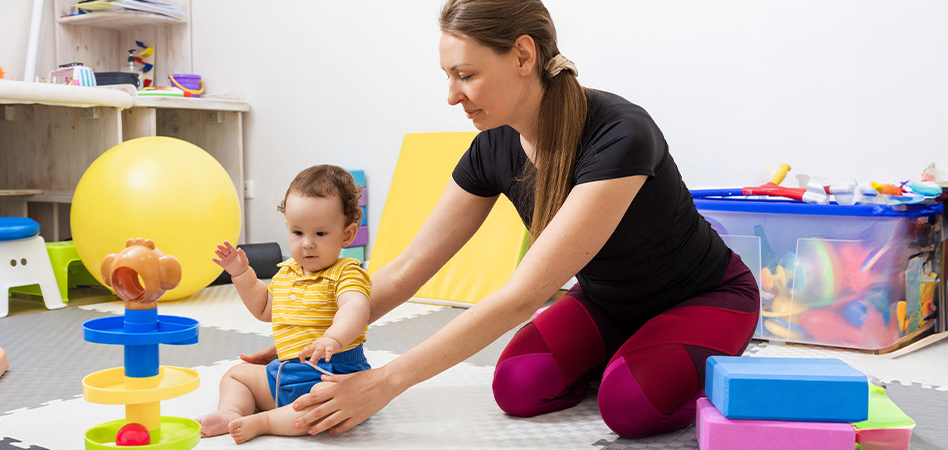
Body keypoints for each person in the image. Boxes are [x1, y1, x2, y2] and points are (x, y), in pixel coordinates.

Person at [250, 0, 760, 439]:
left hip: (706, 297)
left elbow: (521, 296)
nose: (452, 95)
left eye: (466, 75)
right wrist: (315, 333)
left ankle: (675, 361)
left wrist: (385, 382)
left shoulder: (621, 133)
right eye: (448, 77)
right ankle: (634, 353)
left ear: (522, 55)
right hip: (609, 303)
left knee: (629, 406)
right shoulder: (491, 147)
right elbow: (409, 268)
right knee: (517, 386)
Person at [197, 164, 373, 444]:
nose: (307, 244)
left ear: (347, 235)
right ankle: (231, 412)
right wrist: (241, 274)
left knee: (319, 410)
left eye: (321, 234)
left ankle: (265, 420)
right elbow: (265, 308)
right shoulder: (287, 271)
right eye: (298, 232)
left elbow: (355, 308)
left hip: (331, 373)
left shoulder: (346, 272)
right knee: (237, 375)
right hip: (283, 371)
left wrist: (332, 339)